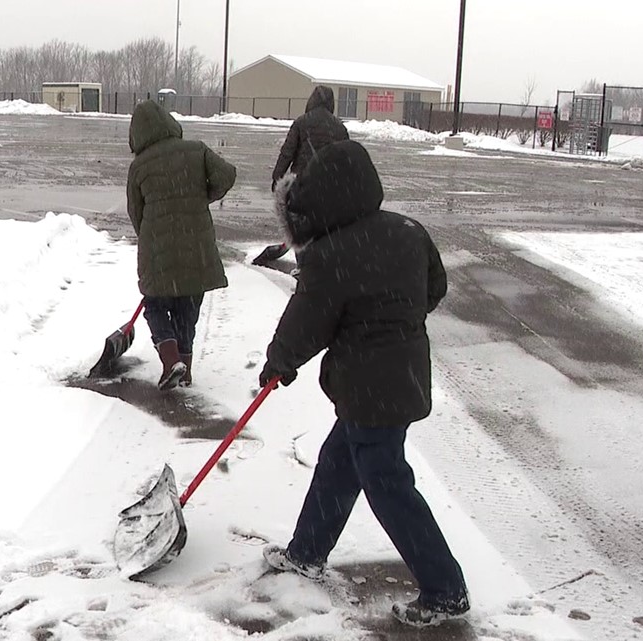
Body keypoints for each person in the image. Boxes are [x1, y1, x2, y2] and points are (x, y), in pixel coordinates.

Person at [257, 140, 470, 628]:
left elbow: (306, 322)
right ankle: (307, 551)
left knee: (386, 482)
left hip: (370, 386)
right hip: (400, 376)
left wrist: (278, 363)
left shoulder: (330, 254)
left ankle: (445, 588)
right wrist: (392, 320)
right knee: (339, 462)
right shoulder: (408, 231)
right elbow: (433, 289)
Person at [126, 100, 237, 390]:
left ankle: (170, 358)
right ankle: (184, 368)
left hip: (158, 250)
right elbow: (227, 175)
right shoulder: (196, 150)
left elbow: (135, 213)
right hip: (196, 245)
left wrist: (150, 236)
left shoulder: (139, 166)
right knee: (187, 306)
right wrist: (201, 197)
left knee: (155, 304)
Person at [252, 85, 350, 267]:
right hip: (329, 183)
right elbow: (345, 157)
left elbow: (287, 153)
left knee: (301, 225)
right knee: (324, 225)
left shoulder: (301, 122)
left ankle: (303, 264)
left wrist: (277, 177)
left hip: (303, 182)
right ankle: (322, 261)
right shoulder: (339, 128)